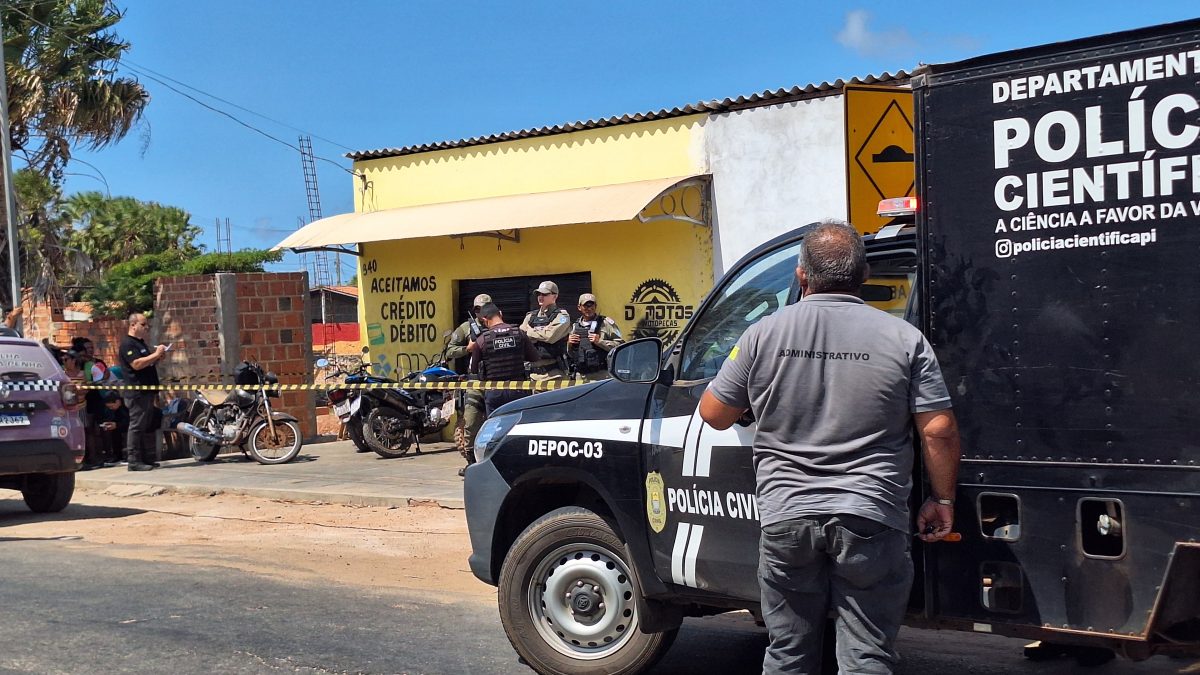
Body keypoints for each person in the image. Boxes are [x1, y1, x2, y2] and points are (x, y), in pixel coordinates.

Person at [698, 221, 962, 675]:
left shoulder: (763, 333)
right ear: (862, 276)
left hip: (788, 516)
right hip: (871, 514)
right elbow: (938, 430)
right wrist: (941, 499)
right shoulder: (903, 339)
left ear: (802, 275)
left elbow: (714, 413)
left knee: (788, 655)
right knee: (867, 656)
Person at [447, 293, 491, 476]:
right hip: (475, 381)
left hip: (496, 380)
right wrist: (468, 349)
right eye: (478, 309)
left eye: (485, 308)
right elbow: (450, 350)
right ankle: (471, 463)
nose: (482, 312)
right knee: (470, 424)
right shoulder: (466, 328)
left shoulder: (497, 324)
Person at [469, 303, 539, 417]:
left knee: (495, 428)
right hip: (519, 388)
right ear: (500, 314)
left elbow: (474, 370)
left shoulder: (482, 340)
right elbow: (534, 358)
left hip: (495, 391)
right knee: (519, 426)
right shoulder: (519, 333)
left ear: (484, 320)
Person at [119, 313, 167, 472]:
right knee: (136, 425)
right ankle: (133, 460)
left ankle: (145, 458)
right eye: (143, 324)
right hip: (137, 391)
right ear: (133, 325)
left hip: (147, 391)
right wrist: (155, 354)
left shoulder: (140, 343)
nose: (146, 328)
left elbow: (147, 363)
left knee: (145, 425)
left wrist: (157, 358)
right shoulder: (127, 344)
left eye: (147, 325)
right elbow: (137, 364)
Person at [519, 280, 571, 382]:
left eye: (545, 294)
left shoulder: (562, 316)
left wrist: (531, 332)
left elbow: (550, 337)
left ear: (555, 296)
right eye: (539, 294)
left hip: (555, 375)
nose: (540, 297)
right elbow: (522, 335)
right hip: (533, 375)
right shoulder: (530, 316)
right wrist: (542, 332)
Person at [567, 293, 623, 382]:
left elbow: (620, 346)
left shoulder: (606, 323)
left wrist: (600, 342)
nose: (589, 308)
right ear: (579, 307)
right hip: (580, 376)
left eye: (591, 305)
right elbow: (571, 354)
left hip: (601, 375)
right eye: (585, 305)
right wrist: (570, 343)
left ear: (595, 306)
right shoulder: (575, 326)